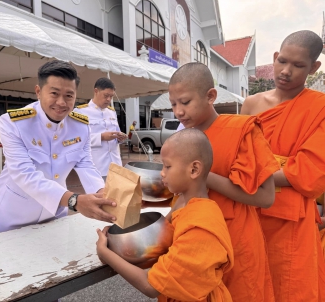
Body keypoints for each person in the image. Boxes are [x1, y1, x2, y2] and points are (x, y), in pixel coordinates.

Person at [169, 62, 279, 301]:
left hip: (235, 241)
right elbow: (183, 195)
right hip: (194, 241)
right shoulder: (183, 141)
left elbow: (267, 197)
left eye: (185, 102)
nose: (178, 111)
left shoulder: (241, 130)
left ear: (211, 96)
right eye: (173, 104)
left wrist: (205, 177)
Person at [96, 129, 234, 302]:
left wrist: (104, 252)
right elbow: (161, 231)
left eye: (167, 166)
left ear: (194, 169)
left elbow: (150, 286)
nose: (162, 173)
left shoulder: (201, 228)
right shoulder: (183, 201)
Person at [241, 30, 325, 302]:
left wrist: (254, 173)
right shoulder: (251, 104)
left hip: (291, 222)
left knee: (289, 289)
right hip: (249, 209)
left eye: (298, 65)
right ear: (275, 57)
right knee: (249, 285)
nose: (286, 71)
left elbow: (309, 170)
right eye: (283, 61)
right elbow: (238, 155)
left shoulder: (320, 107)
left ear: (314, 67)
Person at [0, 61, 117, 234]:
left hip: (54, 216)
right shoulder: (13, 123)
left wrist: (101, 194)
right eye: (54, 93)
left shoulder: (81, 126)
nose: (61, 102)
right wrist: (74, 201)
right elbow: (24, 174)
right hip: (14, 219)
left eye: (69, 96)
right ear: (38, 92)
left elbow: (85, 164)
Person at [74, 78, 126, 179]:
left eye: (111, 96)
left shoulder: (111, 112)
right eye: (106, 95)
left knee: (116, 195)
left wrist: (119, 138)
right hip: (96, 166)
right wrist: (101, 137)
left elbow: (117, 133)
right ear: (96, 91)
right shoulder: (81, 112)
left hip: (115, 165)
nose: (108, 100)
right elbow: (77, 140)